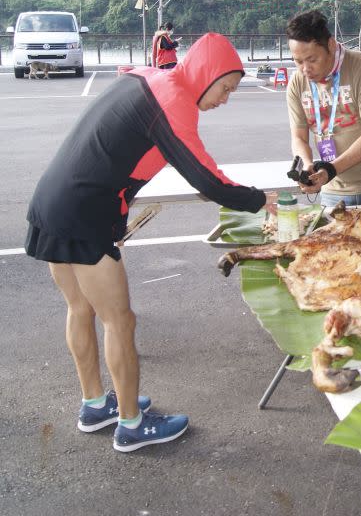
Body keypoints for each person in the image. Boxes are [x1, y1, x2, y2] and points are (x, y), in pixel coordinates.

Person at [25, 32, 273, 453]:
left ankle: (94, 405)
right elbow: (207, 180)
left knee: (79, 308)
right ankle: (131, 424)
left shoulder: (148, 77)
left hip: (52, 200)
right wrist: (260, 200)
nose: (226, 99)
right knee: (119, 320)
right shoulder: (174, 101)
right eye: (226, 88)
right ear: (206, 74)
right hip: (87, 215)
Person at [284, 10, 361, 207]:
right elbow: (298, 137)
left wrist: (331, 169)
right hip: (334, 191)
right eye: (298, 61)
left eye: (312, 60)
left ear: (331, 45)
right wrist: (308, 167)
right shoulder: (297, 83)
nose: (305, 69)